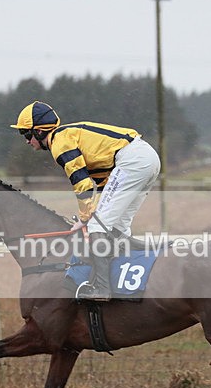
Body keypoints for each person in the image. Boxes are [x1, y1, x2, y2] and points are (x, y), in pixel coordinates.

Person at [11, 101, 161, 301]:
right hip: (146, 158)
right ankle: (138, 272)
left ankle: (102, 288)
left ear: (39, 131)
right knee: (118, 229)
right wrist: (90, 215)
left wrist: (85, 218)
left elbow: (82, 184)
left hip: (132, 161)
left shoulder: (60, 142)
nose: (27, 141)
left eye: (26, 134)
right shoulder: (68, 136)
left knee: (97, 228)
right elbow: (102, 183)